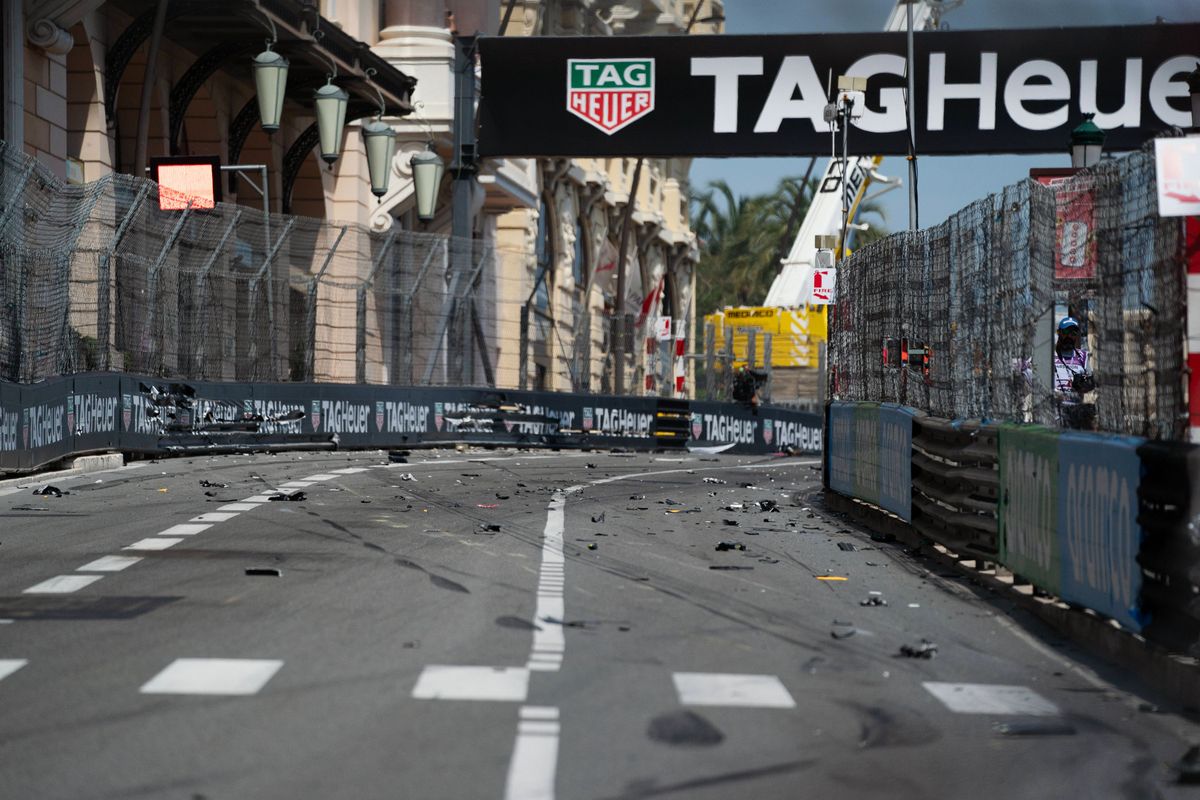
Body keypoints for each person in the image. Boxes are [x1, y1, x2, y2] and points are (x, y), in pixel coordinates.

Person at [1053, 316, 1096, 429]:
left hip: (1075, 412)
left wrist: (1084, 385)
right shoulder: (1051, 355)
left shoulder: (1083, 356)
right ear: (1059, 333)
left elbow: (1090, 383)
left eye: (1073, 332)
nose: (1069, 336)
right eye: (1066, 332)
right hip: (1054, 412)